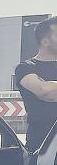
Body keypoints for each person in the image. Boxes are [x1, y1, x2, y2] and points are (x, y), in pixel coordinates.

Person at [16, 16, 57, 152]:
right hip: (42, 150)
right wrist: (47, 87)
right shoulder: (26, 67)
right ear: (45, 41)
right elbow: (45, 91)